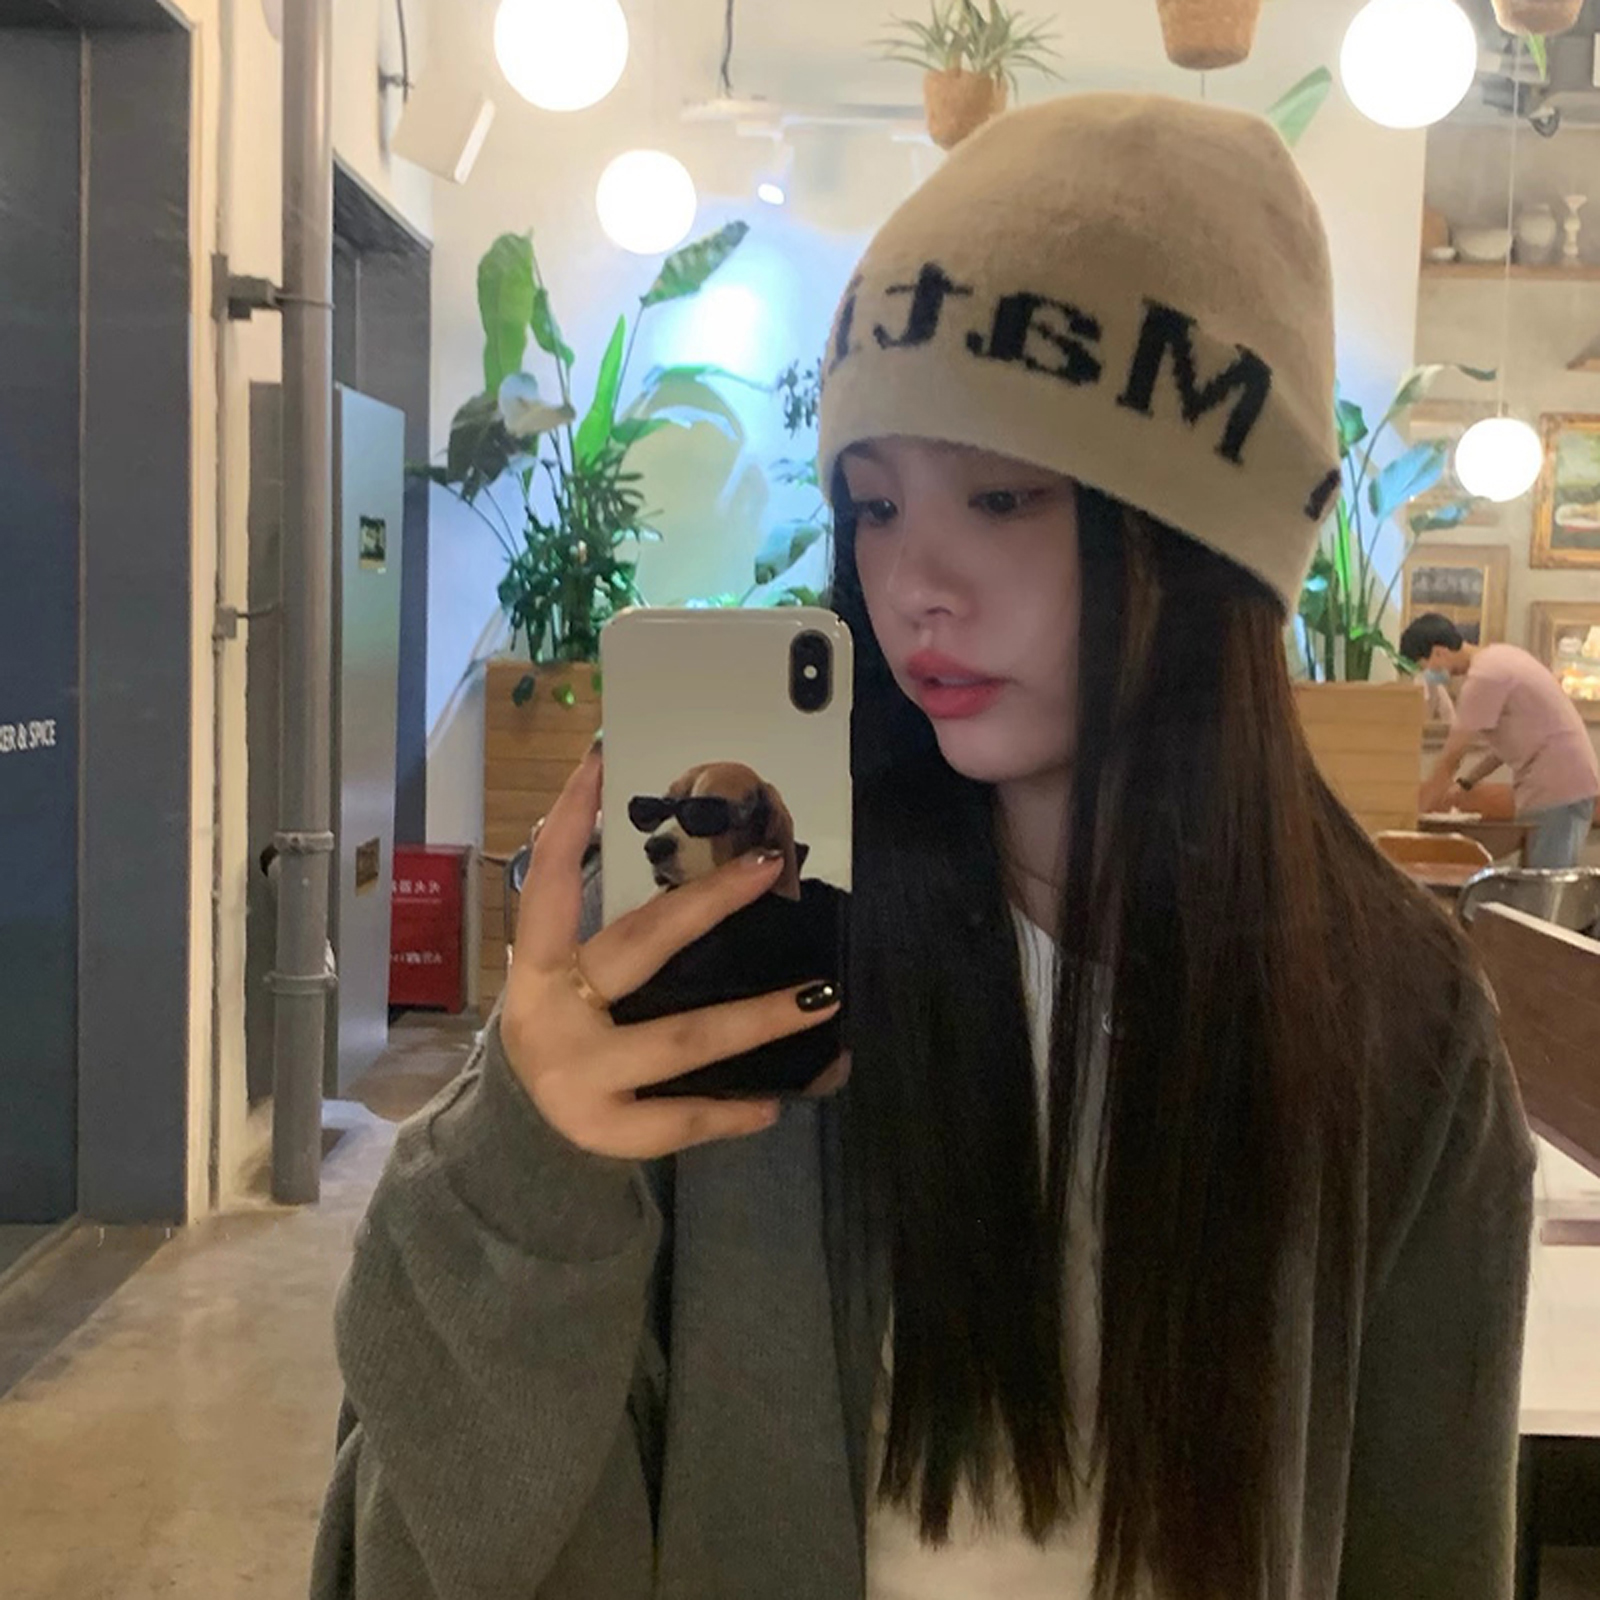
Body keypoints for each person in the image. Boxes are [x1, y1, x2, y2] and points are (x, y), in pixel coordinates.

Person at [312, 96, 1536, 1600]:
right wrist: (524, 1162)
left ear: (1205, 540)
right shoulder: (745, 941)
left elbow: (1430, 1545)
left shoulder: (1395, 1018)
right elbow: (417, 1542)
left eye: (1002, 495)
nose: (911, 587)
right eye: (875, 504)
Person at [1405, 612, 1600, 868]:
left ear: (1439, 652)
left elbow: (1450, 758)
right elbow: (1508, 746)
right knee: (1537, 881)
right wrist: (1467, 783)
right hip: (1564, 784)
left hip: (1559, 788)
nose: (1428, 674)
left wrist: (1411, 822)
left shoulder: (1484, 678)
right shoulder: (1500, 657)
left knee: (1544, 885)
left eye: (1424, 666)